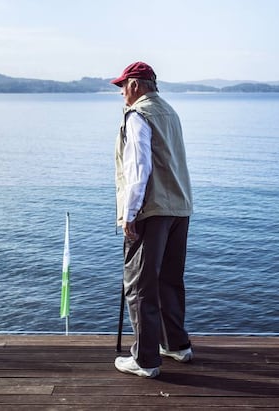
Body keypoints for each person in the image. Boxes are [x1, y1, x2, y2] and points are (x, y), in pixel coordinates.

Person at [111, 62, 193, 378]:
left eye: (122, 86)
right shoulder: (170, 111)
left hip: (152, 210)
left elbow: (138, 169)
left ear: (135, 85)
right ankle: (175, 345)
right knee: (169, 280)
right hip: (180, 207)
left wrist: (129, 214)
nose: (121, 93)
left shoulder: (138, 116)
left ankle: (145, 359)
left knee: (139, 285)